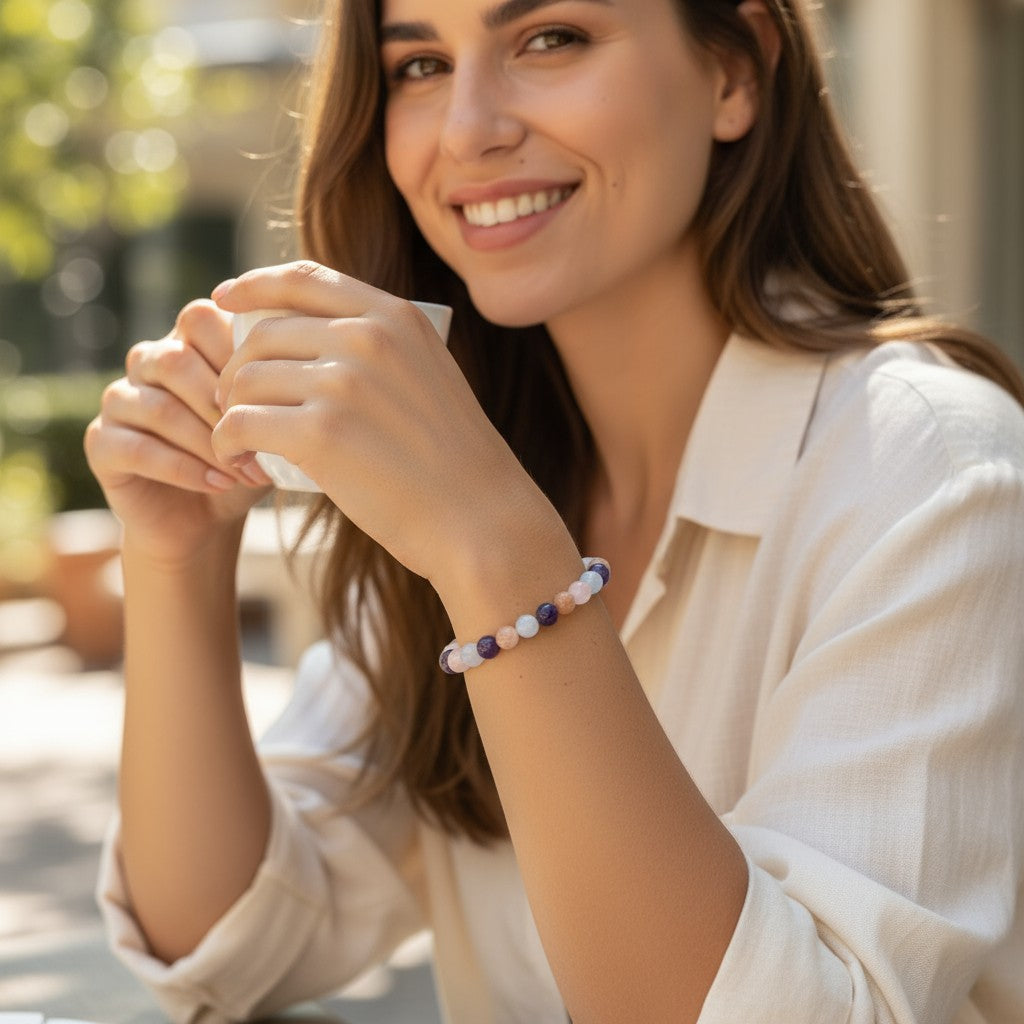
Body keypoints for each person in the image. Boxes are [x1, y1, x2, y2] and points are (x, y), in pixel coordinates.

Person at [84, 0, 1024, 1021]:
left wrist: (499, 555)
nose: (467, 130)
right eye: (418, 66)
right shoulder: (462, 462)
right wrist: (176, 557)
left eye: (550, 39)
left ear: (735, 71)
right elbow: (225, 943)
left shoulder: (932, 468)